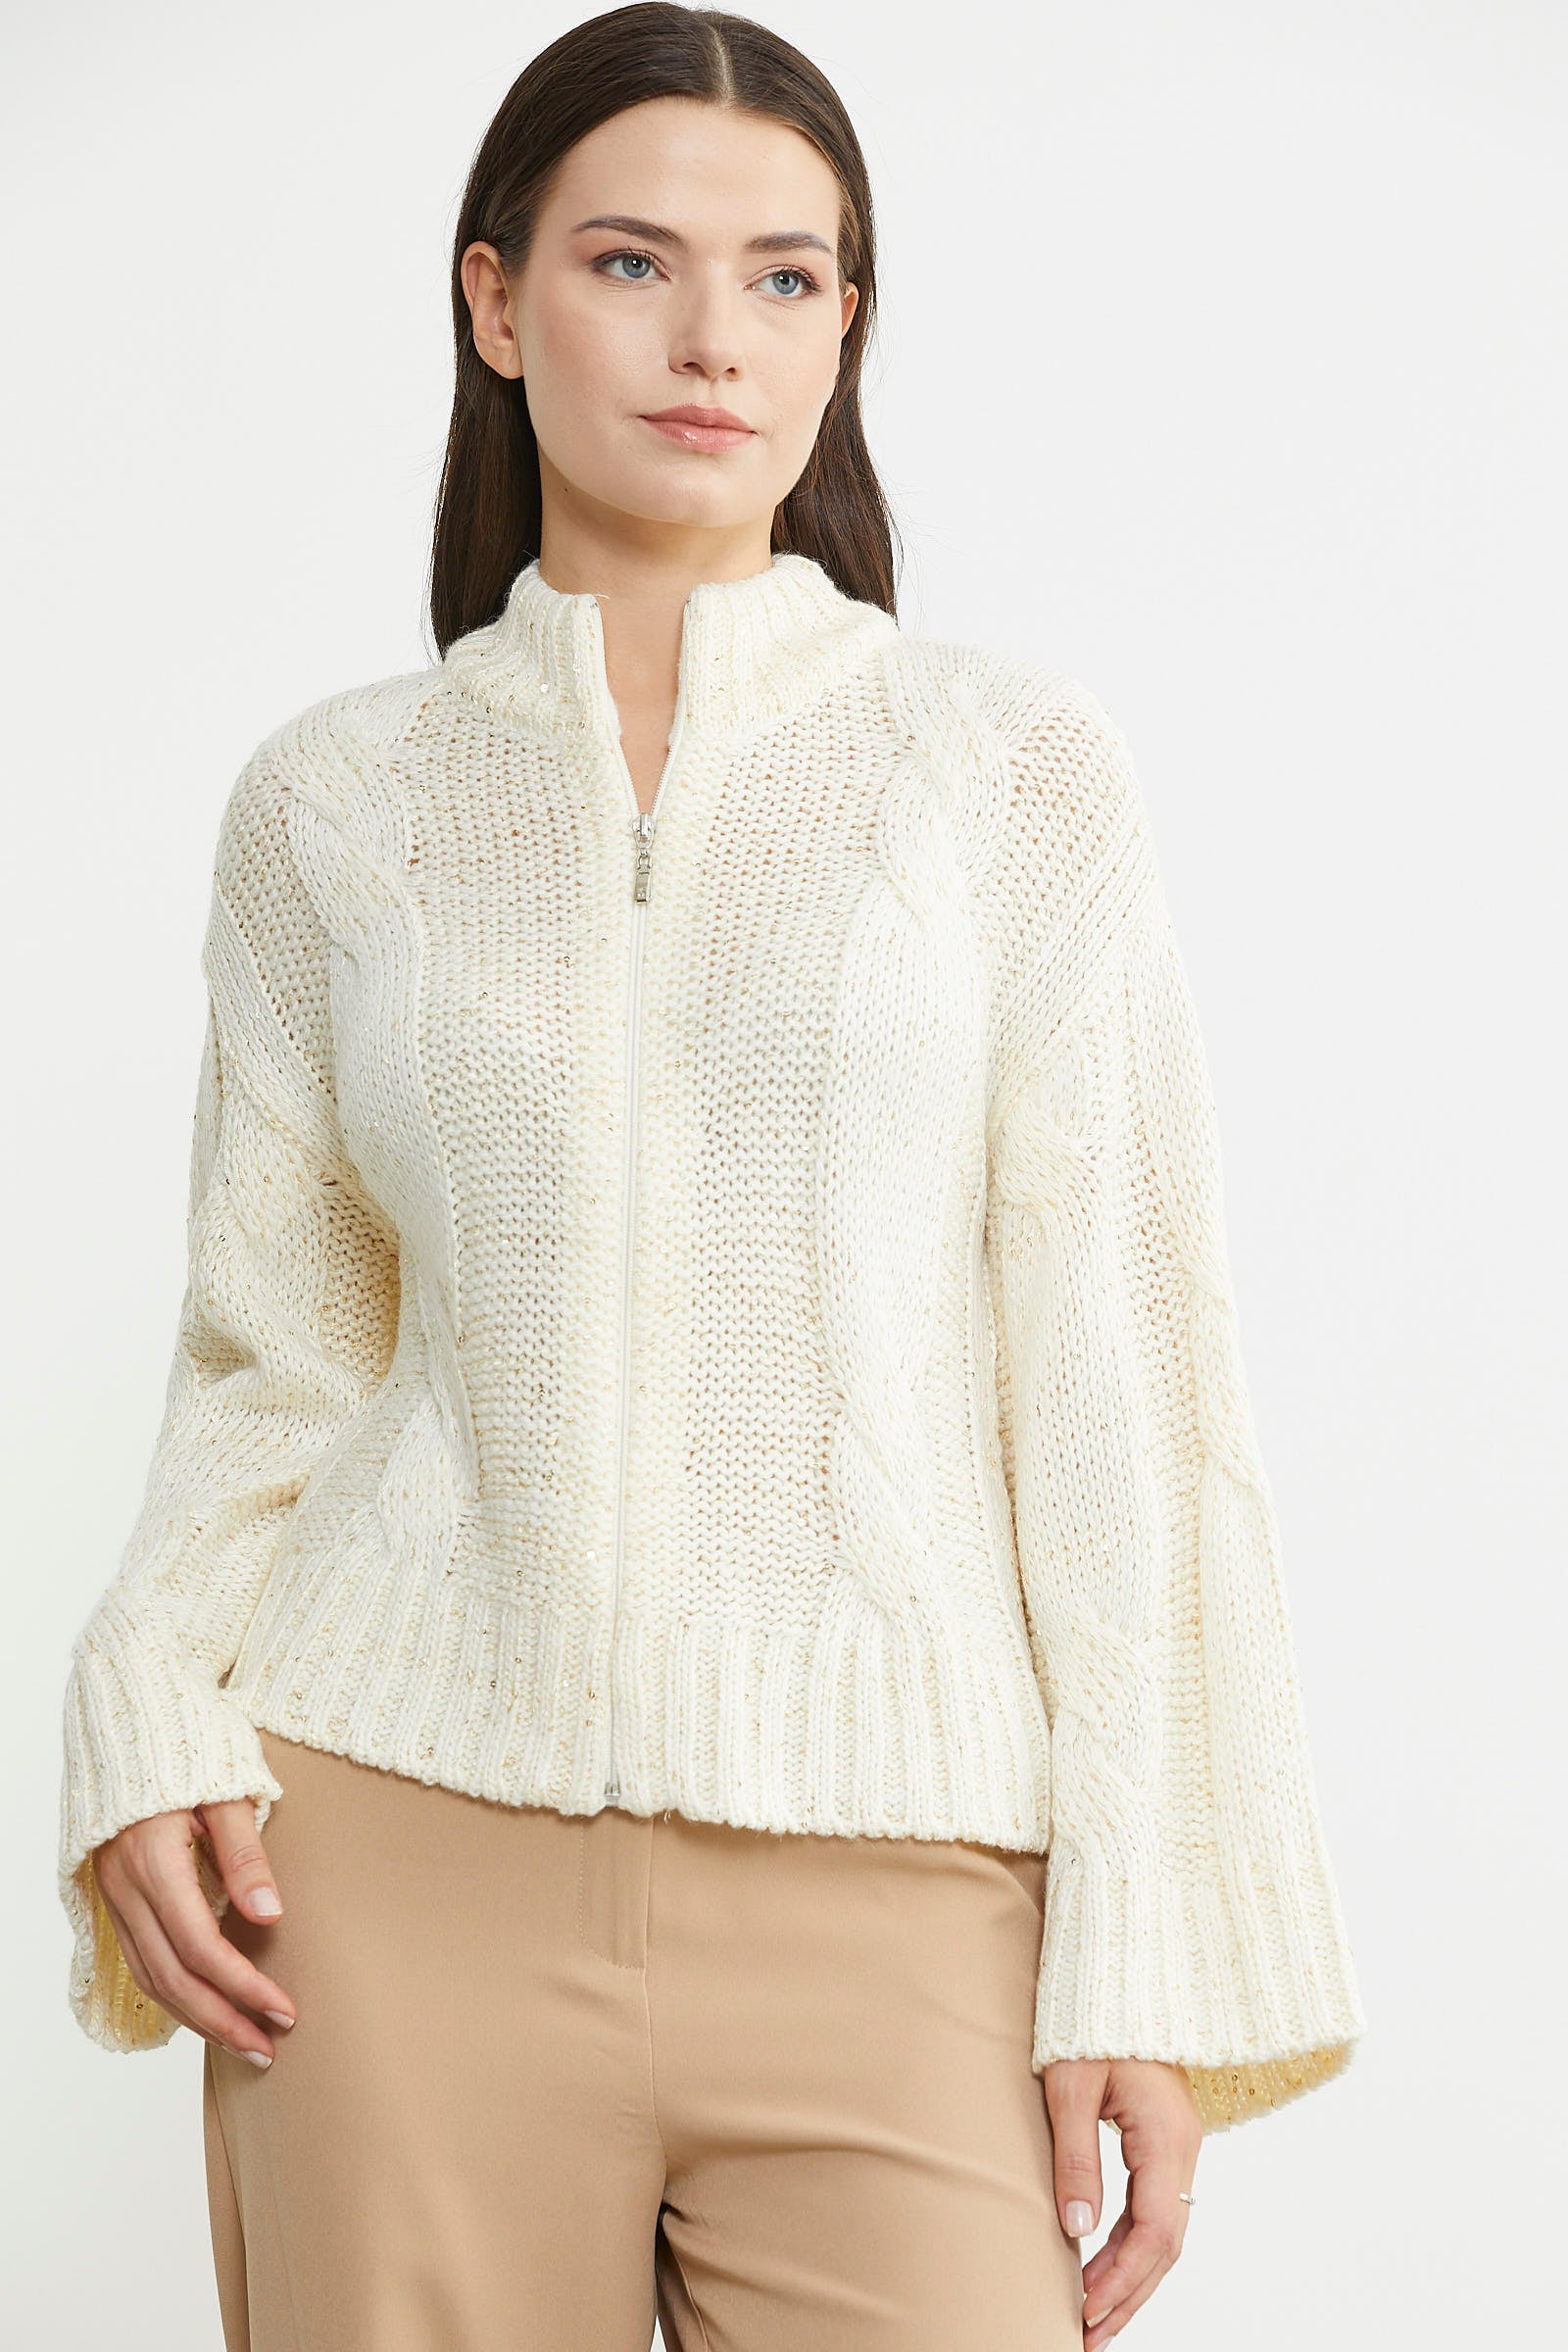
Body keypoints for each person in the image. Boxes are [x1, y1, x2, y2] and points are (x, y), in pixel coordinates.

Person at [56, 8, 1366, 2347]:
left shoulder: (1004, 776)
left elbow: (1119, 1385)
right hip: (392, 1870)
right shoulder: (331, 806)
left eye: (784, 278)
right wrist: (147, 1701)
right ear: (494, 303)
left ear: (845, 324)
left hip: (903, 1885)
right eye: (630, 262)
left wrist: (1146, 1943)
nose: (711, 341)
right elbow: (270, 1351)